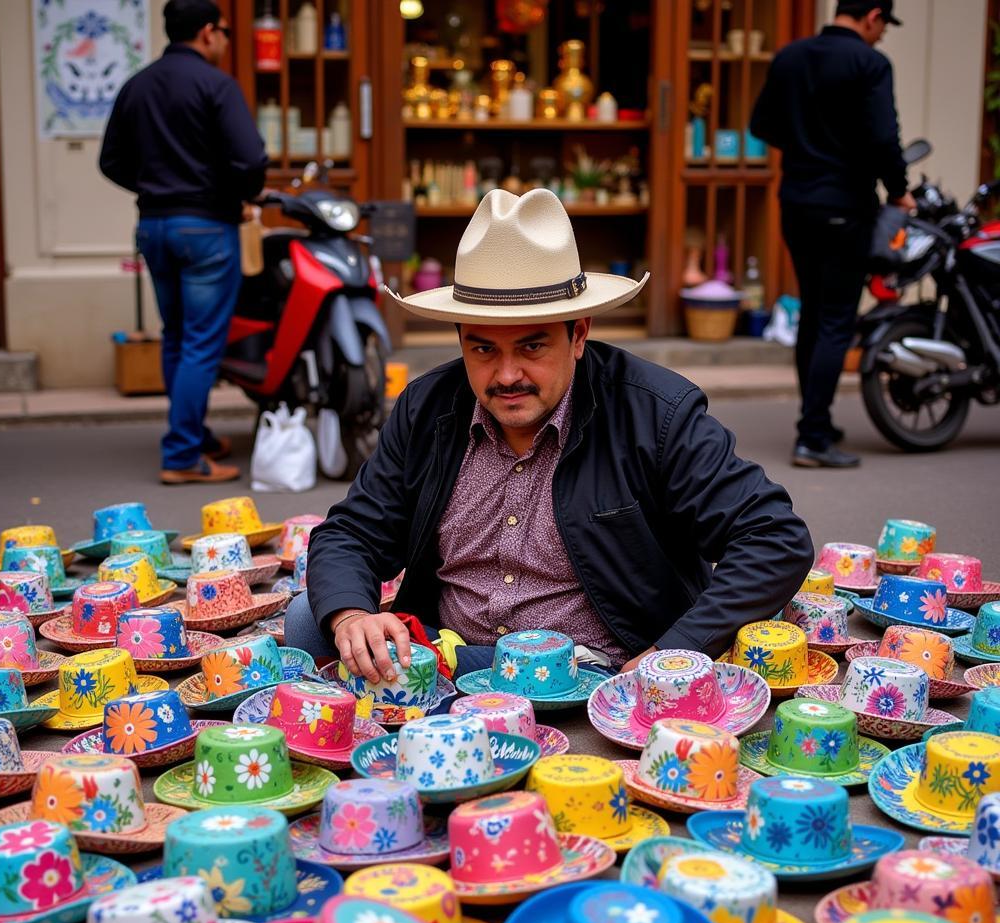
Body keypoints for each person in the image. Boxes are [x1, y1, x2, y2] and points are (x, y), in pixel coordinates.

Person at [284, 187, 814, 685]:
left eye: (533, 347)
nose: (507, 374)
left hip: (594, 668)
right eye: (483, 349)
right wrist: (353, 615)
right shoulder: (426, 408)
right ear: (461, 340)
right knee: (315, 615)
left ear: (578, 334)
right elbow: (351, 531)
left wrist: (674, 650)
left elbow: (774, 537)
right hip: (445, 658)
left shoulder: (656, 412)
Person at [99, 0, 268, 484]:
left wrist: (157, 187)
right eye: (226, 33)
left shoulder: (138, 84)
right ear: (209, 32)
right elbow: (250, 160)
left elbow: (110, 162)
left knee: (176, 336)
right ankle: (181, 455)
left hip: (154, 226)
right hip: (206, 228)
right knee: (199, 344)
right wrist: (230, 193)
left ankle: (190, 433)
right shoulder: (216, 85)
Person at [750, 0, 915, 469]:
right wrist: (899, 191)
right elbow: (886, 138)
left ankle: (815, 419)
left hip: (796, 202)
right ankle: (814, 436)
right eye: (884, 25)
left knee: (814, 312)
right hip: (844, 204)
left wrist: (807, 142)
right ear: (873, 16)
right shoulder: (871, 63)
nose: (882, 35)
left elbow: (761, 125)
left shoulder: (790, 57)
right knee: (837, 319)